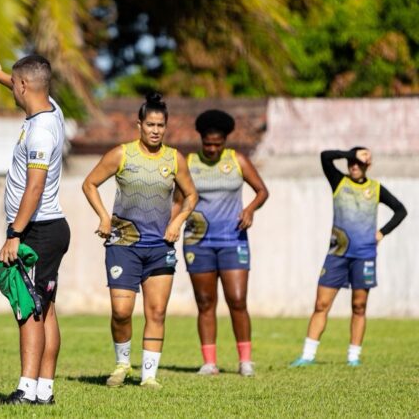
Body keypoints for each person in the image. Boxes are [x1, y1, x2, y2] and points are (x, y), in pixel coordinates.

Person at [82, 93, 198, 389]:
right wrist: (104, 217)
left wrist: (177, 221)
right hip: (123, 244)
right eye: (150, 124)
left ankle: (149, 375)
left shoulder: (174, 159)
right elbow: (90, 183)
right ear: (140, 125)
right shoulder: (122, 154)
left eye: (161, 125)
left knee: (156, 311)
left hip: (160, 247)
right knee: (121, 311)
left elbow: (192, 195)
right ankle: (122, 364)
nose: (156, 130)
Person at [0, 51, 70, 405]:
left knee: (28, 309)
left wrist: (14, 234)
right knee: (45, 308)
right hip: (49, 227)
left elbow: (35, 187)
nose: (12, 90)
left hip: (37, 230)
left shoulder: (42, 132)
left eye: (14, 85)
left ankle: (27, 390)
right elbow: (29, 86)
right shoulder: (51, 111)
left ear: (25, 86)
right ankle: (44, 391)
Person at [291, 147, 406, 367]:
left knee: (359, 306)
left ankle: (353, 357)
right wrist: (350, 153)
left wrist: (382, 233)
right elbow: (325, 156)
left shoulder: (376, 188)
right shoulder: (338, 182)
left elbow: (400, 210)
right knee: (321, 304)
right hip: (337, 254)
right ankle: (307, 355)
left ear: (368, 165)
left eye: (359, 163)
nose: (354, 166)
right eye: (351, 162)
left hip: (364, 255)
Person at [174, 110, 269, 377]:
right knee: (205, 302)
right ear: (201, 139)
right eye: (208, 143)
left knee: (237, 300)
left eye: (218, 144)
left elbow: (262, 191)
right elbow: (177, 201)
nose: (213, 149)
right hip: (197, 241)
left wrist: (249, 210)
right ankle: (209, 362)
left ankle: (245, 361)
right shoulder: (189, 163)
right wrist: (171, 227)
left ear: (226, 141)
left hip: (232, 240)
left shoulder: (237, 160)